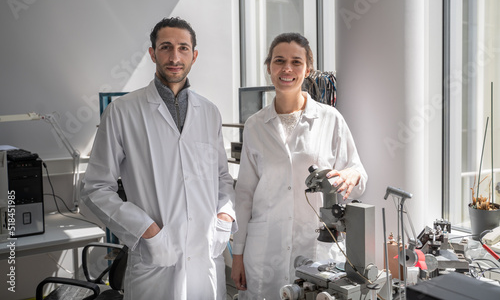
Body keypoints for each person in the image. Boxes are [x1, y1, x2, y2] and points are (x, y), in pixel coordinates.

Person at [81, 17, 237, 300]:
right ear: (153, 53)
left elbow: (222, 178)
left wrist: (225, 217)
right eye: (166, 47)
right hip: (155, 261)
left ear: (194, 55)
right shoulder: (122, 112)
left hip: (205, 260)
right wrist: (147, 231)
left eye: (183, 48)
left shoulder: (210, 112)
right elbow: (95, 189)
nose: (175, 57)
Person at [231, 33, 367, 300]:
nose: (287, 69)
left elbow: (359, 176)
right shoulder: (255, 125)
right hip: (264, 251)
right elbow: (245, 194)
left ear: (308, 69)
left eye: (296, 61)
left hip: (316, 247)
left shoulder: (330, 119)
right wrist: (237, 255)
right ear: (269, 66)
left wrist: (352, 174)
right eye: (279, 61)